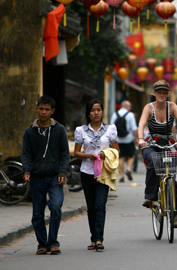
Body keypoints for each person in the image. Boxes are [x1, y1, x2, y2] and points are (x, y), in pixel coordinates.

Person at [138, 80, 177, 228]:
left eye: (164, 92)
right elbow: (141, 124)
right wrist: (141, 139)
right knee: (152, 162)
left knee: (172, 177)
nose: (161, 95)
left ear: (168, 94)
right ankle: (150, 197)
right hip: (152, 141)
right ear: (154, 93)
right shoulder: (149, 108)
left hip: (169, 142)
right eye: (159, 92)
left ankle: (175, 213)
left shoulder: (172, 106)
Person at [22, 95, 70, 255]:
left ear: (52, 111)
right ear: (37, 109)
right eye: (41, 109)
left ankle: (53, 241)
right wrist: (27, 170)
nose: (43, 112)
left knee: (56, 206)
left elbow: (64, 153)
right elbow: (26, 154)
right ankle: (42, 244)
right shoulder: (29, 131)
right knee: (37, 213)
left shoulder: (59, 130)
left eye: (47, 109)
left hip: (55, 176)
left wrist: (63, 171)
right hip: (36, 177)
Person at [74, 99, 120, 252]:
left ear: (102, 111)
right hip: (87, 171)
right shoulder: (80, 130)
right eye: (93, 110)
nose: (96, 113)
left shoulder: (110, 129)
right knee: (91, 207)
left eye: (98, 110)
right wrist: (88, 155)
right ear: (88, 113)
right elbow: (76, 152)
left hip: (104, 173)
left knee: (100, 205)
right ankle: (93, 238)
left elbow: (117, 150)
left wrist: (105, 154)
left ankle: (99, 239)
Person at [110, 100, 138, 182]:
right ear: (128, 106)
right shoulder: (130, 115)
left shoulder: (115, 114)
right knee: (131, 156)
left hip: (118, 140)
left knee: (120, 158)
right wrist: (137, 138)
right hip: (129, 139)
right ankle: (129, 169)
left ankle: (121, 176)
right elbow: (134, 129)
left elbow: (112, 127)